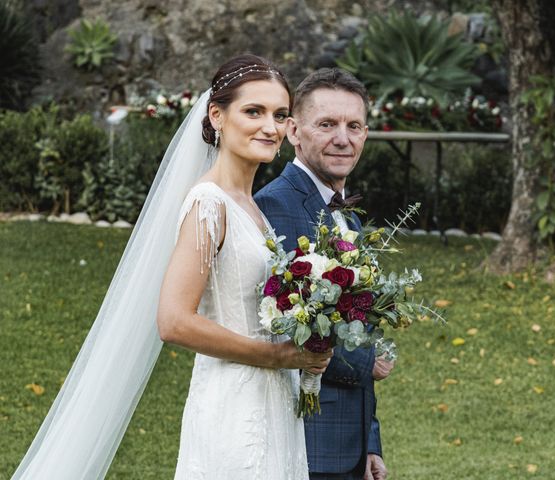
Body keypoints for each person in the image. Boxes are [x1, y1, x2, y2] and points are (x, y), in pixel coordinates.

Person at [11, 54, 330, 480]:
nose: (270, 127)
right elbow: (174, 321)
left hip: (273, 400)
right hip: (234, 405)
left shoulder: (251, 208)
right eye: (253, 111)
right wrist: (276, 356)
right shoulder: (209, 204)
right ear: (217, 115)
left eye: (280, 114)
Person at [255, 68, 394, 480]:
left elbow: (354, 324)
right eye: (327, 124)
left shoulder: (344, 212)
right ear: (294, 131)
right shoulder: (276, 205)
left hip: (347, 442)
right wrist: (366, 361)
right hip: (306, 439)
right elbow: (280, 326)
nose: (342, 138)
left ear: (366, 134)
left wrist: (369, 443)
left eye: (354, 126)